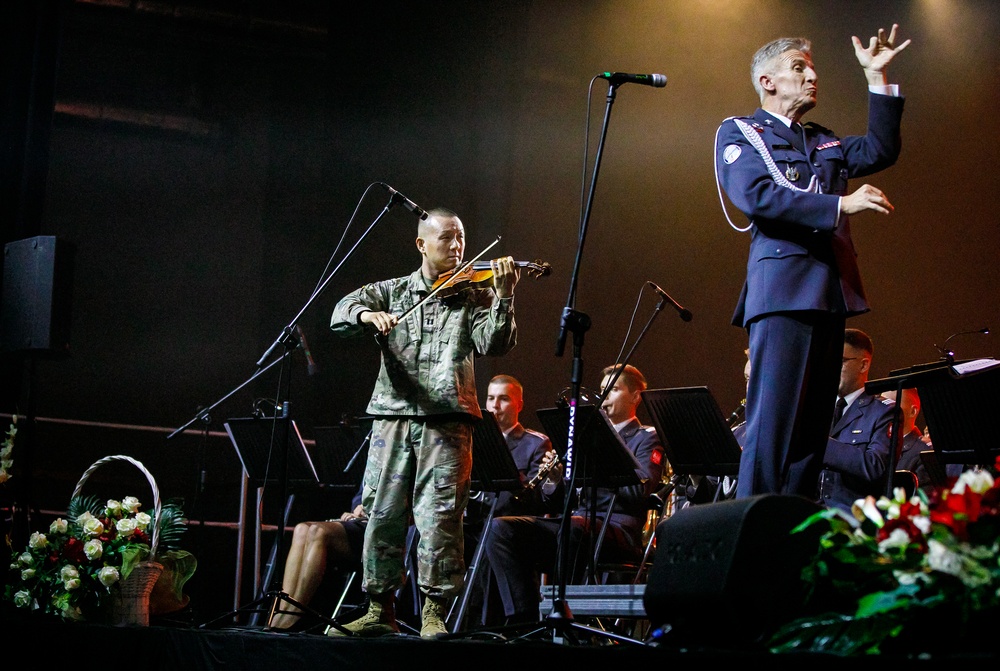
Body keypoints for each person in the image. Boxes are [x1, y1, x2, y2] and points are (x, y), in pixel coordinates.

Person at [714, 25, 910, 501]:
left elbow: (880, 149)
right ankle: (751, 537)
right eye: (798, 68)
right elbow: (756, 196)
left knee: (809, 436)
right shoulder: (740, 132)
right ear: (768, 81)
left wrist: (878, 76)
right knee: (772, 427)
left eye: (812, 68)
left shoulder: (823, 141)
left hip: (828, 294)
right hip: (781, 292)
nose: (812, 76)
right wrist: (840, 206)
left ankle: (790, 541)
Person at [328, 207, 520, 638]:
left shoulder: (475, 294)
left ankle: (434, 611)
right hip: (393, 417)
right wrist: (366, 316)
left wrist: (505, 296)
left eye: (461, 239)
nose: (456, 247)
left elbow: (495, 343)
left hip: (448, 422)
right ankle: (379, 610)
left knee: (441, 517)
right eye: (447, 238)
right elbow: (341, 311)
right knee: (382, 512)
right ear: (422, 243)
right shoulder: (394, 291)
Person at [483, 363, 665, 625]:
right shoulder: (586, 435)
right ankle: (522, 619)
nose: (604, 398)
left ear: (635, 397)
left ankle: (573, 624)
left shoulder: (646, 437)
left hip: (617, 529)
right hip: (578, 525)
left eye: (613, 390)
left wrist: (603, 456)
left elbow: (638, 492)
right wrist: (556, 480)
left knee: (575, 530)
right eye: (602, 391)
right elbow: (558, 501)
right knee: (501, 530)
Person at [461, 374, 551, 628]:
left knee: (492, 542)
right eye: (490, 399)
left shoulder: (535, 443)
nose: (494, 406)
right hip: (474, 523)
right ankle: (414, 615)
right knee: (422, 535)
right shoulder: (470, 440)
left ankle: (484, 627)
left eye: (503, 399)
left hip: (502, 526)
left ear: (519, 405)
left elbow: (538, 498)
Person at [267, 486, 367, 631]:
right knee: (301, 528)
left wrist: (370, 508)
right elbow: (362, 492)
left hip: (381, 527)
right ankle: (283, 609)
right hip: (361, 521)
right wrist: (355, 510)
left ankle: (296, 613)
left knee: (318, 531)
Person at [819, 328, 896, 512]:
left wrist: (818, 442)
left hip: (853, 517)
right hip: (809, 511)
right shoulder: (818, 408)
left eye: (841, 361)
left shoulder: (884, 411)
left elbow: (875, 467)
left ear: (863, 365)